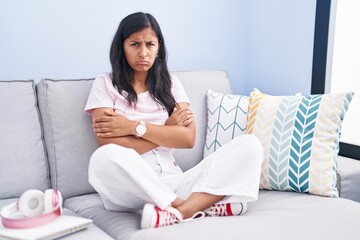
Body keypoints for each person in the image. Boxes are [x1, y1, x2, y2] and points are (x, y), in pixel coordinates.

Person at [84, 12, 263, 229]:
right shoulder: (105, 84)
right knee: (103, 157)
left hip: (174, 180)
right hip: (129, 189)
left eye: (150, 44)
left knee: (250, 145)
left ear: (159, 47)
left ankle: (179, 211)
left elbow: (188, 139)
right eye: (134, 44)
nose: (143, 52)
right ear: (122, 47)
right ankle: (198, 205)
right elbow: (108, 143)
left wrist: (134, 127)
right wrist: (166, 132)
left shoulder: (171, 84)